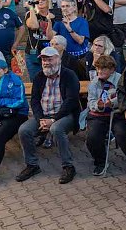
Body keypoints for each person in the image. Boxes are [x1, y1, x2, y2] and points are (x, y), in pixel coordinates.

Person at [15, 47, 81, 185]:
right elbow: (34, 100)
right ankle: (32, 165)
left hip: (64, 115)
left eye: (49, 59)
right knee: (24, 130)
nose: (46, 62)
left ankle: (68, 166)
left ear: (58, 59)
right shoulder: (39, 76)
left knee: (56, 129)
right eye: (44, 60)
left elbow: (72, 100)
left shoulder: (69, 75)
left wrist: (53, 120)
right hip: (44, 115)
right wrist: (40, 120)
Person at [84, 54, 126, 176]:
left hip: (117, 114)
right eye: (98, 68)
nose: (100, 71)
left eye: (104, 68)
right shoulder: (94, 83)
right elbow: (90, 101)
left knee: (121, 134)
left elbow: (124, 97)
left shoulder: (120, 79)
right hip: (98, 115)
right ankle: (100, 162)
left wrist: (111, 103)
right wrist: (99, 105)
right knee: (92, 138)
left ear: (112, 69)